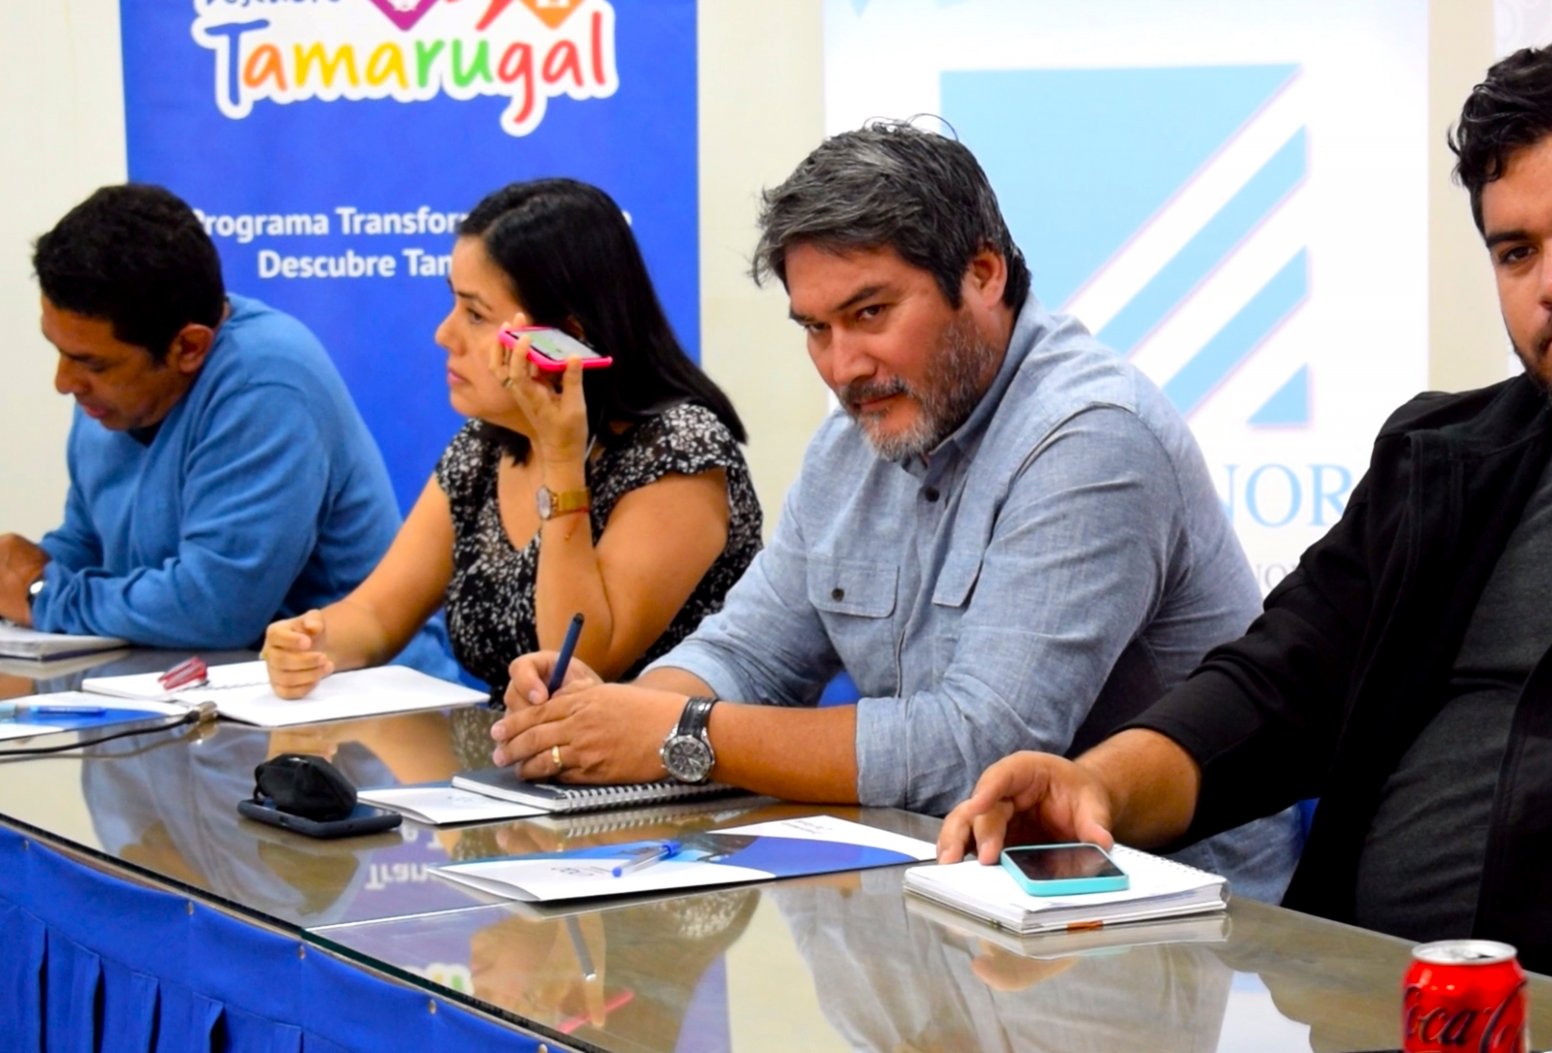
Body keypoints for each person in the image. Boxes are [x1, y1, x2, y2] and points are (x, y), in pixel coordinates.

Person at [938, 34, 1552, 1011]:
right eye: (1517, 252)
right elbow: (1275, 687)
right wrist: (1096, 787)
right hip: (1365, 1005)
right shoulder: (1446, 453)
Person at [492, 122, 1302, 904]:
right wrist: (605, 714)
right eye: (816, 328)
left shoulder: (1094, 436)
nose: (842, 366)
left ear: (983, 274)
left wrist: (681, 734)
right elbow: (750, 652)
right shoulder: (851, 441)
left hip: (1152, 914)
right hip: (938, 886)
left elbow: (978, 747)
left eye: (871, 313)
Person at [262, 178, 761, 699]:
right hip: (516, 746)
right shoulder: (485, 447)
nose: (444, 334)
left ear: (565, 340)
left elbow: (581, 663)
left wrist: (561, 461)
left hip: (657, 749)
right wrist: (312, 642)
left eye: (475, 314)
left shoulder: (680, 452)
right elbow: (378, 614)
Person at [1, 183, 440, 663]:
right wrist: (19, 573)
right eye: (61, 352)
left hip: (359, 692)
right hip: (198, 689)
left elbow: (216, 608)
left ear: (189, 347)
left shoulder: (266, 382)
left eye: (92, 364)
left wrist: (42, 595)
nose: (64, 382)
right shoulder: (106, 394)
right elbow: (89, 545)